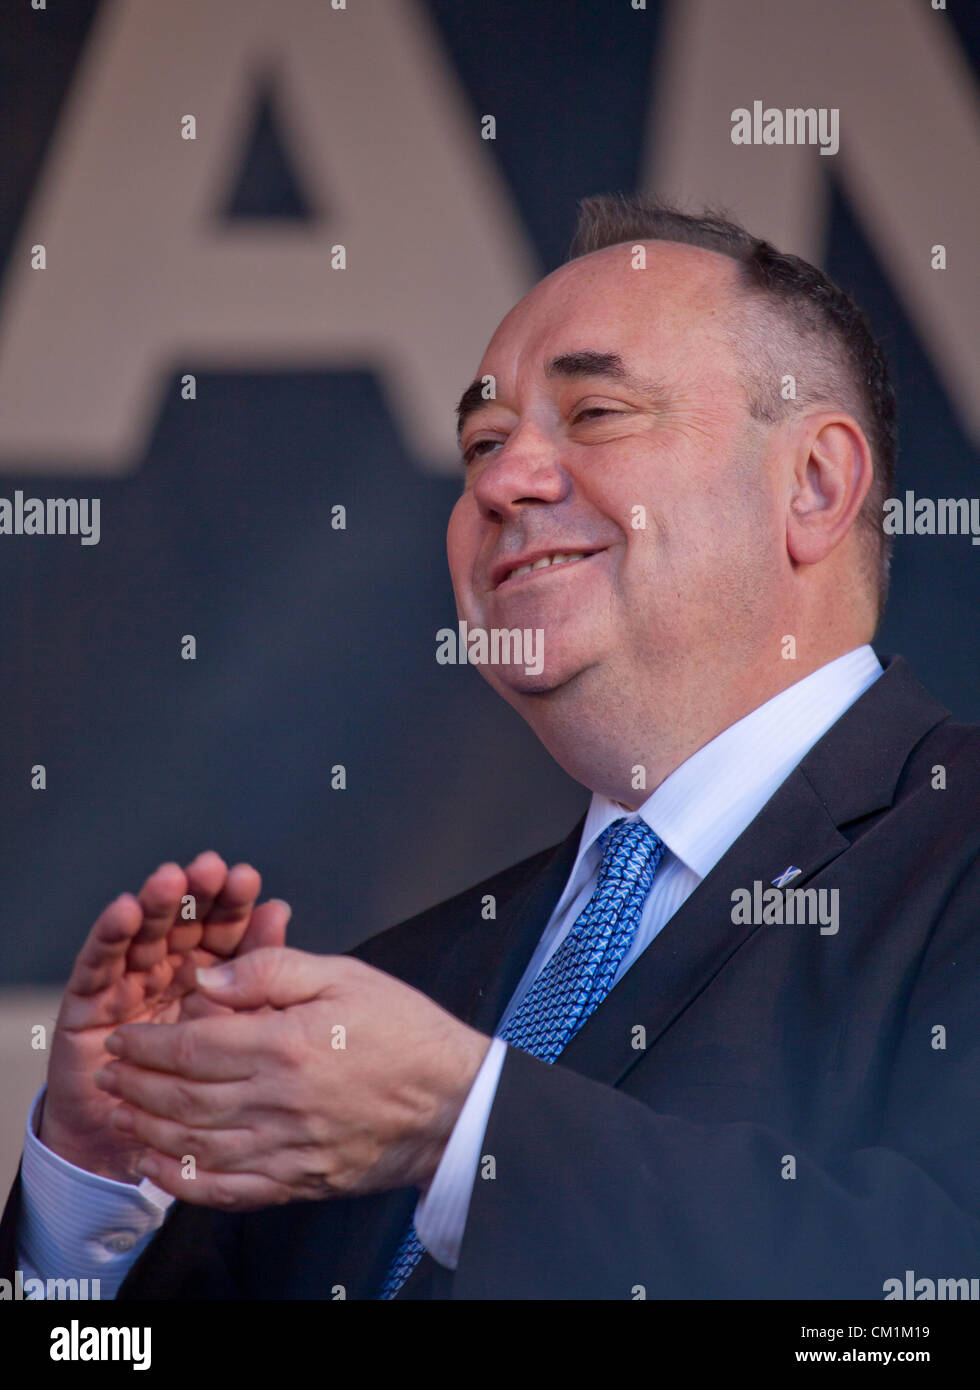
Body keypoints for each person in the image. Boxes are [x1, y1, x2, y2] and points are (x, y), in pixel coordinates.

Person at [2, 196, 977, 1300]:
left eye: (595, 411)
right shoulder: (396, 995)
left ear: (810, 486)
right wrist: (93, 1190)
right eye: (479, 443)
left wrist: (468, 1129)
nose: (500, 481)